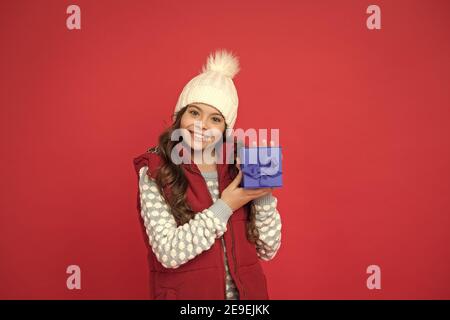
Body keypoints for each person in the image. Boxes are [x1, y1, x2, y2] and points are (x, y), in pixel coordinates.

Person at [133, 49, 282, 300]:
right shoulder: (155, 170)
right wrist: (227, 205)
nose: (202, 125)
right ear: (179, 116)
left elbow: (268, 250)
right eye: (194, 113)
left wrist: (263, 195)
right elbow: (169, 252)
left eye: (215, 118)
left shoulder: (244, 163)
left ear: (226, 129)